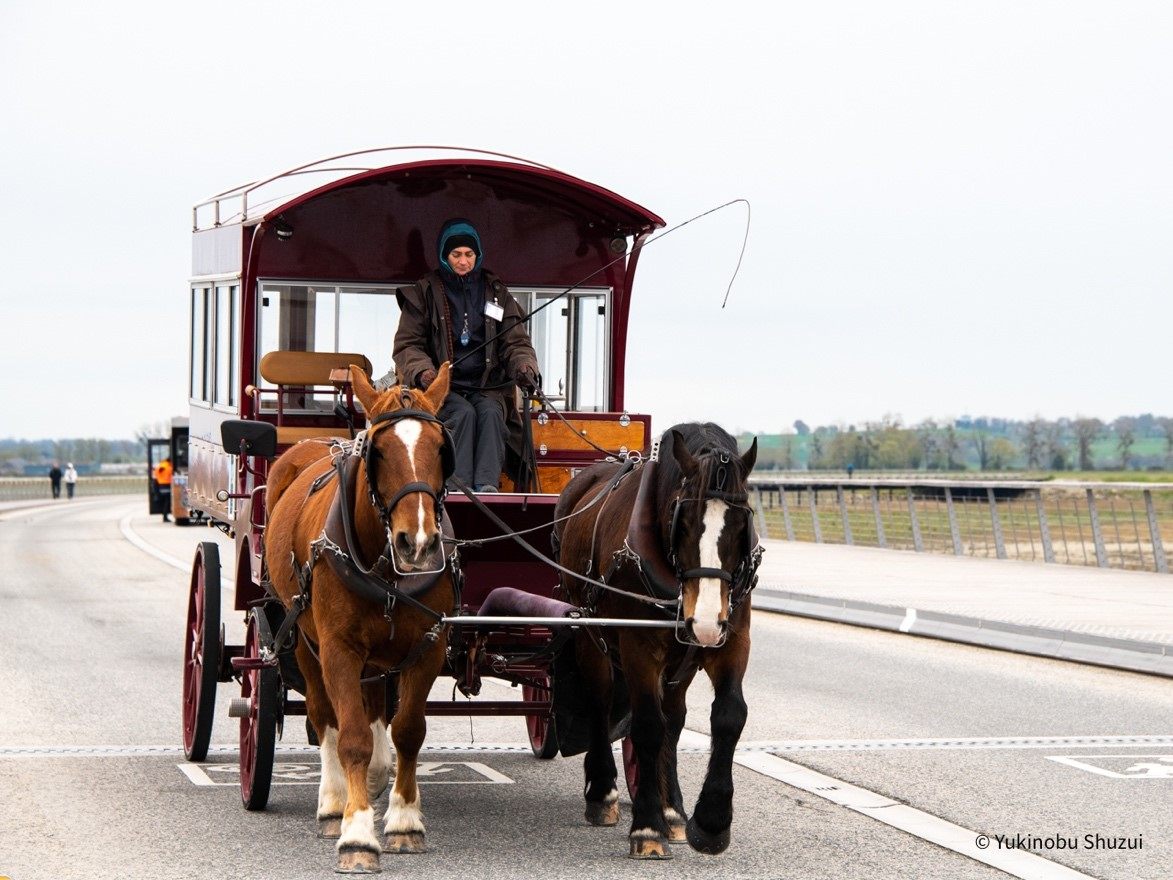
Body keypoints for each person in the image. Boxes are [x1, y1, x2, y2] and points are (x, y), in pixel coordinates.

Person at [394, 218, 540, 492]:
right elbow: (407, 346)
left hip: (486, 387)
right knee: (462, 414)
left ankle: (487, 488)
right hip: (440, 391)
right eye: (456, 254)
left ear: (478, 255)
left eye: (469, 254)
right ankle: (456, 490)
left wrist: (524, 366)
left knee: (489, 412)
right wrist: (425, 373)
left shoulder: (497, 293)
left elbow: (516, 342)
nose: (463, 261)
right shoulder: (423, 293)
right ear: (444, 256)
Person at [154, 457, 174, 522]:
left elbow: (155, 477)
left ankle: (165, 516)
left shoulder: (159, 467)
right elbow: (172, 477)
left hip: (160, 487)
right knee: (167, 502)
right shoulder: (169, 468)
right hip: (167, 486)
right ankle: (165, 517)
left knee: (165, 502)